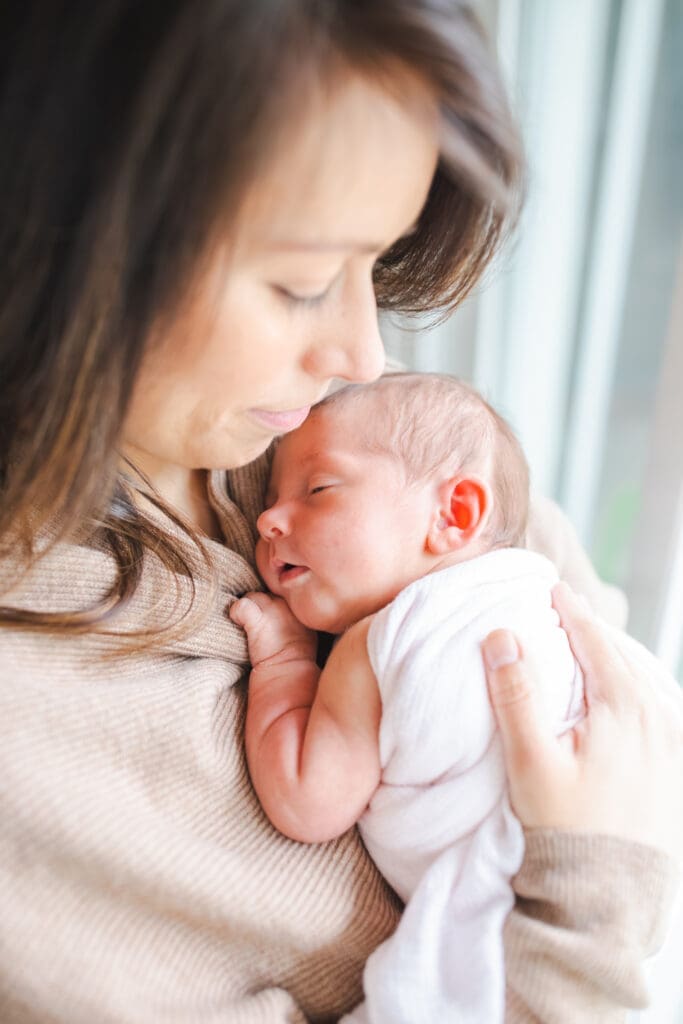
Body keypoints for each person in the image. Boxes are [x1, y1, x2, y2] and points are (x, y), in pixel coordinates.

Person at [0, 3, 681, 1023]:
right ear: (69, 241)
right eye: (304, 281)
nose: (363, 355)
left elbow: (617, 697)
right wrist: (582, 916)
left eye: (374, 263)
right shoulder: (41, 739)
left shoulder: (322, 427)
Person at [232, 372, 588, 1023]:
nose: (267, 518)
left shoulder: (381, 643)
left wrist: (284, 659)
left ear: (452, 516)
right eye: (273, 495)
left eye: (317, 489)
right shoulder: (546, 593)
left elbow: (307, 803)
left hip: (497, 932)